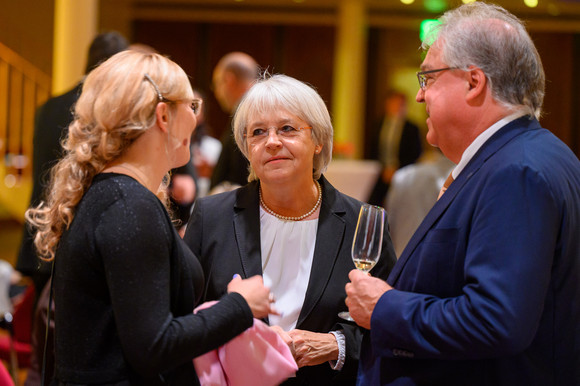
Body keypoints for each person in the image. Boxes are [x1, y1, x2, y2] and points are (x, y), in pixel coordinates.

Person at [345, 2, 580, 385]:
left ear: (474, 83)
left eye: (429, 79)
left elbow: (495, 320)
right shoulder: (528, 155)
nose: (419, 97)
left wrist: (385, 307)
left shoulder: (515, 171)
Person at [25, 50, 275, 385]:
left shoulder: (109, 195)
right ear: (163, 116)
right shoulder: (130, 206)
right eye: (192, 106)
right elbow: (155, 345)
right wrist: (240, 306)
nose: (196, 118)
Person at [183, 74, 397, 385]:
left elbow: (389, 327)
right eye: (258, 132)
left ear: (318, 139)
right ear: (246, 148)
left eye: (287, 129)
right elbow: (183, 322)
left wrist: (335, 345)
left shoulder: (361, 222)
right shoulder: (211, 217)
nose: (271, 142)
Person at [16, 31, 129, 298]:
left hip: (40, 234)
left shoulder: (48, 106)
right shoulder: (105, 109)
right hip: (77, 241)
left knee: (41, 333)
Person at [385, 149, 454, 257]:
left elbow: (388, 226)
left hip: (401, 259)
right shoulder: (465, 179)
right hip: (438, 263)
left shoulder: (403, 175)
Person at [209, 52, 259, 191]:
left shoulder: (248, 113)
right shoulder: (250, 109)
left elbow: (243, 172)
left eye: (216, 84)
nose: (216, 93)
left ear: (228, 80)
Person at [367, 90, 423, 206]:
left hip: (403, 174)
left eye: (400, 104)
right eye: (394, 103)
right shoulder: (378, 124)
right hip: (380, 174)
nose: (397, 107)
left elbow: (416, 153)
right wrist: (383, 169)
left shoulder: (412, 128)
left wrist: (396, 170)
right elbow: (373, 150)